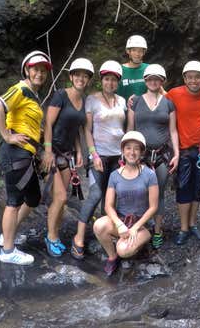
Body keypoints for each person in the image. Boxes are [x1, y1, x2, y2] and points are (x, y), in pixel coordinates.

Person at [0, 50, 52, 265]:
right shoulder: (21, 89)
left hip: (26, 154)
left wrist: (43, 149)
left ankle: (7, 236)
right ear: (27, 69)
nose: (40, 73)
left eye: (43, 70)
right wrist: (7, 136)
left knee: (33, 198)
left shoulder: (33, 95)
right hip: (15, 152)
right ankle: (8, 251)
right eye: (36, 69)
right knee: (14, 201)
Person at [71, 60, 127, 259]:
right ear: (101, 81)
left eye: (113, 80)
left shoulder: (122, 101)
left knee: (112, 197)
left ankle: (106, 232)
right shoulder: (92, 100)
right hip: (99, 155)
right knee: (95, 194)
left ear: (117, 82)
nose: (110, 83)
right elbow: (86, 129)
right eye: (107, 79)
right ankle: (78, 237)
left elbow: (125, 128)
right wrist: (93, 154)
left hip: (118, 157)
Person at [41, 58, 93, 257]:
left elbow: (76, 129)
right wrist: (47, 151)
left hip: (67, 154)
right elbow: (48, 124)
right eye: (77, 75)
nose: (81, 78)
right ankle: (51, 237)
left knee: (59, 200)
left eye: (85, 76)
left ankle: (53, 234)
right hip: (51, 153)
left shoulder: (84, 100)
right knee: (61, 197)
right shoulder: (61, 95)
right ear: (71, 76)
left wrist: (79, 151)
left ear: (88, 80)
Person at [127, 64, 179, 248]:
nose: (153, 81)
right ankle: (135, 227)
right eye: (150, 78)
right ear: (146, 81)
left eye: (157, 79)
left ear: (162, 81)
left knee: (159, 193)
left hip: (162, 154)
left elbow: (173, 131)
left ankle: (157, 230)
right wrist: (126, 153)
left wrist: (177, 153)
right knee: (136, 191)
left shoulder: (169, 103)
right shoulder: (136, 102)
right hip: (140, 155)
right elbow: (130, 129)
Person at [93, 131, 159, 276]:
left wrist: (135, 227)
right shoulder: (115, 175)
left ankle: (139, 245)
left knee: (123, 250)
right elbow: (108, 206)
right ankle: (112, 257)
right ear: (123, 150)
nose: (132, 152)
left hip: (141, 226)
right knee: (99, 225)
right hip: (122, 222)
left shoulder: (149, 174)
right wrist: (119, 224)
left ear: (141, 152)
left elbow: (154, 207)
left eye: (136, 148)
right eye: (128, 148)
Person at [166, 60, 200, 245]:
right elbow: (155, 99)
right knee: (183, 188)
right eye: (190, 77)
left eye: (197, 77)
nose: (193, 81)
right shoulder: (174, 94)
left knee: (198, 188)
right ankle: (183, 227)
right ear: (184, 78)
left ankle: (193, 224)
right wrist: (135, 99)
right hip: (185, 151)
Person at [117, 35, 149, 101]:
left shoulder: (149, 69)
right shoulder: (118, 70)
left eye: (140, 51)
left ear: (144, 52)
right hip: (122, 110)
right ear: (128, 51)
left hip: (145, 110)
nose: (137, 54)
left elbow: (160, 91)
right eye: (134, 50)